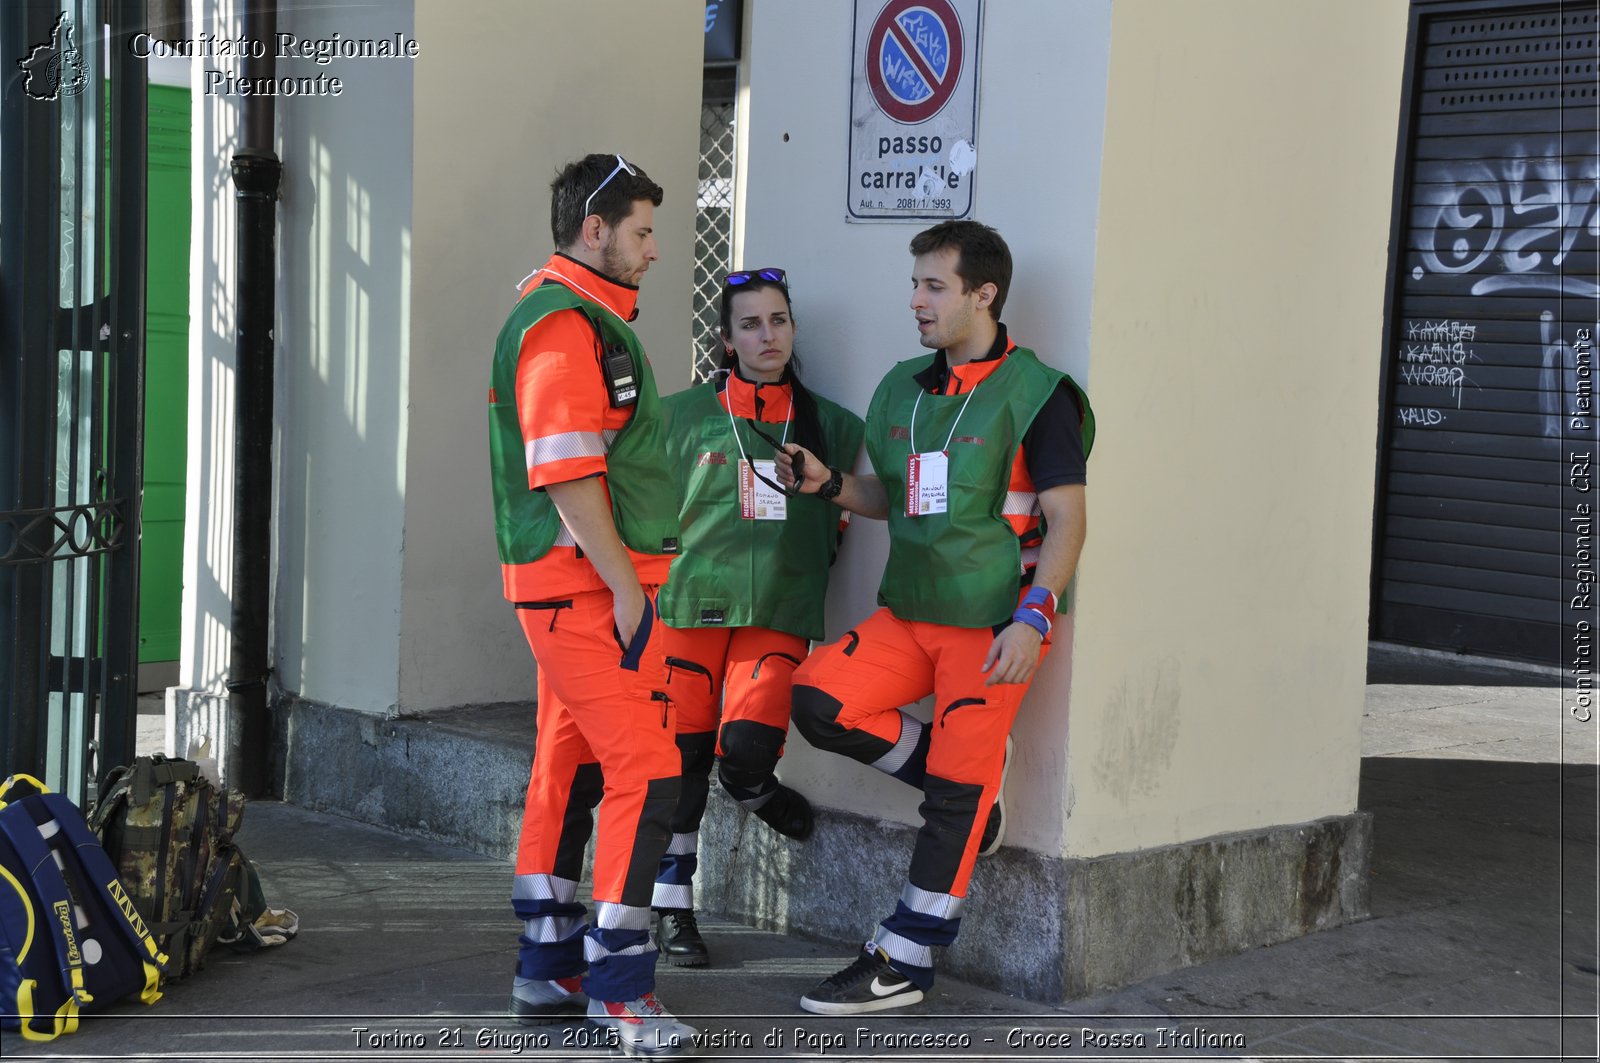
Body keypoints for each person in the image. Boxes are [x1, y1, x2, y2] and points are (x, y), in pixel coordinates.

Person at [776, 220, 1094, 1014]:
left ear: (983, 295)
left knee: (952, 792)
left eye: (933, 286)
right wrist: (828, 485)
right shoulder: (902, 388)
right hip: (912, 611)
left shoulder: (1038, 394)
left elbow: (1068, 520)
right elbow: (895, 494)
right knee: (818, 699)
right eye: (914, 282)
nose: (914, 300)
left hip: (992, 626)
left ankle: (906, 956)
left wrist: (1034, 618)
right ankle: (971, 783)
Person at [486, 152, 696, 1057]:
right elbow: (569, 474)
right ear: (596, 229)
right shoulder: (563, 323)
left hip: (581, 586)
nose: (655, 249)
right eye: (643, 231)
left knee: (566, 768)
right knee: (648, 768)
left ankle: (550, 965)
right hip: (583, 588)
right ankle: (621, 990)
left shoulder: (581, 317)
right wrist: (623, 590)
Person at [650, 268, 865, 966]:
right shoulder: (676, 416)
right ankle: (670, 903)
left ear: (792, 329)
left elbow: (849, 513)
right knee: (680, 763)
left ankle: (748, 786)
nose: (766, 335)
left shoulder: (831, 424)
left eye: (778, 320)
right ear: (725, 338)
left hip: (775, 606)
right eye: (750, 323)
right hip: (688, 607)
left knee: (744, 746)